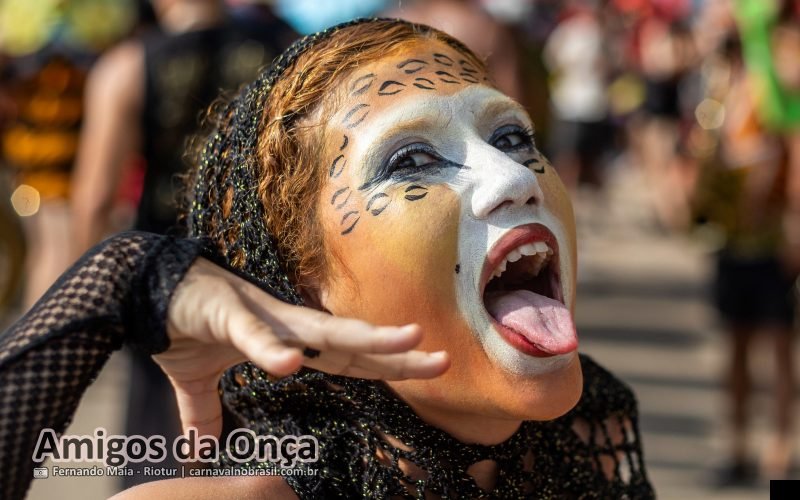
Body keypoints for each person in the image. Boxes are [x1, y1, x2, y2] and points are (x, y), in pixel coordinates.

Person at [0, 19, 653, 499]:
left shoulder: (592, 443)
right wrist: (120, 284)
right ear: (305, 282)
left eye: (511, 136)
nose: (514, 176)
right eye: (413, 160)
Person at [68, 0, 296, 485]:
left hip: (164, 278)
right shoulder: (280, 49)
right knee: (262, 440)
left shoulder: (128, 67)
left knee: (160, 431)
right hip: (255, 267)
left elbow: (95, 197)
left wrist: (92, 301)